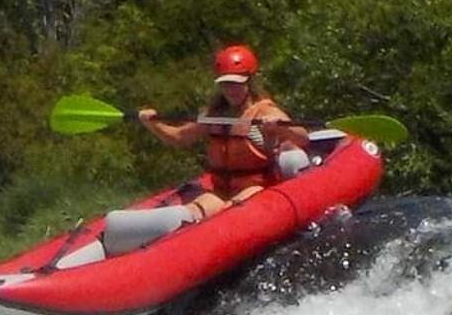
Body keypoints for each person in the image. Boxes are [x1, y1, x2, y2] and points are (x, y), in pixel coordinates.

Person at [56, 43, 314, 267]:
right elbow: (179, 138)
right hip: (221, 190)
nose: (231, 90)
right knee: (188, 216)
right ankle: (113, 246)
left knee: (231, 212)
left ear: (249, 81)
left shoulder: (265, 112)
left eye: (237, 84)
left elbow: (303, 137)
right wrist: (152, 124)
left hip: (257, 188)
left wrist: (281, 129)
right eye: (225, 85)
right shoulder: (214, 115)